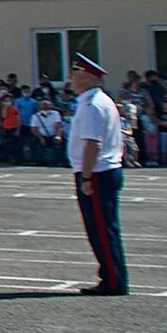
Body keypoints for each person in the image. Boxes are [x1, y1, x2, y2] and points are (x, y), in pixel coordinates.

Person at [66, 49, 129, 295]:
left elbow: (92, 143)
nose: (71, 78)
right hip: (103, 171)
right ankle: (110, 276)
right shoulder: (98, 101)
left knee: (102, 229)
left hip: (98, 172)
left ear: (88, 77)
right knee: (102, 228)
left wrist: (87, 176)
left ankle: (113, 280)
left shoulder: (93, 105)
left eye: (76, 73)